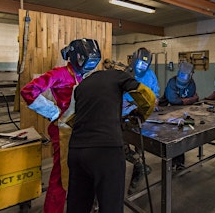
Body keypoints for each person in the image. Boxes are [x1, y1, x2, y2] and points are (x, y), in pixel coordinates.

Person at [20, 38, 101, 213]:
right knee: (60, 177)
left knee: (83, 172)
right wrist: (55, 113)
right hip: (63, 132)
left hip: (83, 129)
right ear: (75, 57)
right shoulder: (60, 73)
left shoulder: (85, 75)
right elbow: (28, 91)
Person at [66, 58, 156, 213]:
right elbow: (148, 98)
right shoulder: (119, 76)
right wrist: (139, 117)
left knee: (77, 206)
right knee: (110, 206)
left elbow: (71, 119)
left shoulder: (82, 85)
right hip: (106, 151)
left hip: (76, 150)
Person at [122, 47, 160, 192]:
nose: (141, 68)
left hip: (140, 118)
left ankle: (137, 176)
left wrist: (153, 102)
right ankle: (141, 167)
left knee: (140, 150)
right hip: (123, 118)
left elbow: (155, 95)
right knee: (123, 150)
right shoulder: (126, 73)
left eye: (144, 65)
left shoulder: (150, 75)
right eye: (139, 64)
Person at [159, 62, 199, 170]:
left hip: (185, 112)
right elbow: (173, 100)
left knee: (185, 134)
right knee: (171, 136)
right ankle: (171, 161)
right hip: (168, 111)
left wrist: (186, 101)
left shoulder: (192, 84)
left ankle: (180, 162)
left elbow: (188, 103)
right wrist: (190, 99)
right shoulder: (172, 82)